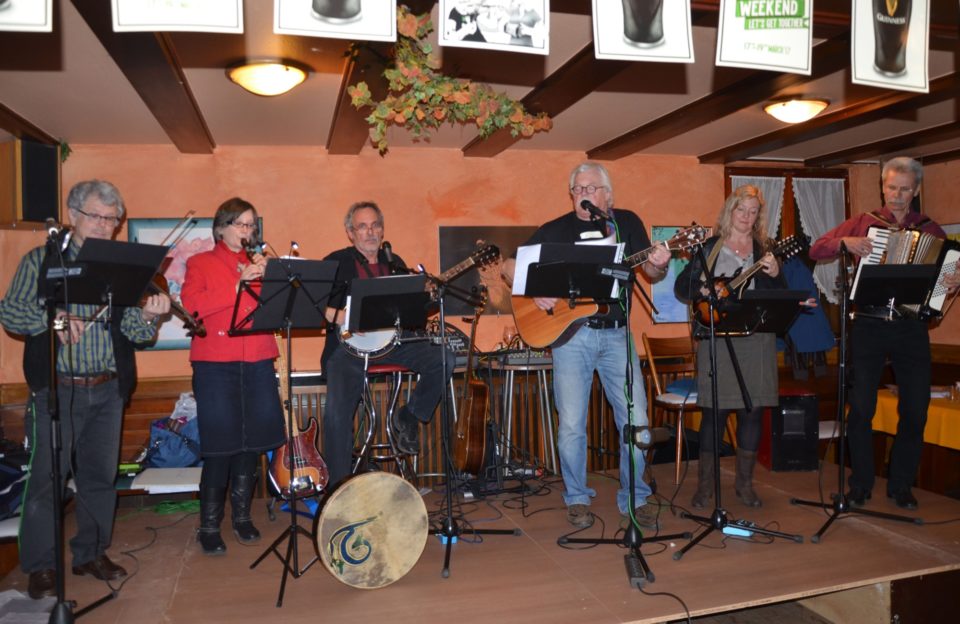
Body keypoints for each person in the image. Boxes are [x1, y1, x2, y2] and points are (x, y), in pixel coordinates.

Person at [0, 180, 171, 599]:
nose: (105, 226)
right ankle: (41, 566)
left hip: (108, 389)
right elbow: (11, 314)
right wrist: (53, 317)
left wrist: (150, 317)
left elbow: (134, 333)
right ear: (73, 215)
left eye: (112, 220)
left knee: (99, 478)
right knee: (47, 482)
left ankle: (91, 553)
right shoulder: (42, 260)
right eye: (97, 216)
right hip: (57, 390)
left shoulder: (120, 268)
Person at [502, 162, 671, 530]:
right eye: (577, 189)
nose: (583, 194)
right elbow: (508, 265)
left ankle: (636, 496)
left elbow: (651, 272)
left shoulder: (626, 223)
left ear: (607, 194)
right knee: (572, 425)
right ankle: (577, 498)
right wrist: (534, 287)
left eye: (591, 188)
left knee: (637, 421)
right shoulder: (556, 229)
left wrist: (660, 262)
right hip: (572, 338)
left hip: (617, 335)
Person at [810, 157, 960, 511]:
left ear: (915, 190)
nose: (896, 195)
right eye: (891, 187)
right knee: (861, 408)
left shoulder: (930, 230)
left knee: (916, 409)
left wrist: (952, 280)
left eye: (904, 189)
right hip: (869, 324)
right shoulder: (864, 222)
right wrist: (847, 242)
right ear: (883, 187)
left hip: (911, 327)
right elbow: (817, 248)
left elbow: (944, 280)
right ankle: (860, 484)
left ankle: (901, 485)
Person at [321, 201, 454, 489]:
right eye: (362, 226)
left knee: (443, 357)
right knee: (336, 414)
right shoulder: (336, 262)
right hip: (349, 350)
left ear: (382, 230)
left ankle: (410, 415)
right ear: (350, 233)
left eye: (375, 225)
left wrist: (426, 298)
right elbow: (312, 303)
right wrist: (341, 316)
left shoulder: (395, 263)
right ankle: (339, 488)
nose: (370, 232)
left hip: (394, 344)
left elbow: (412, 312)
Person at [180, 198, 286, 555]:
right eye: (241, 224)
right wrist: (239, 283)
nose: (247, 231)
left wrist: (277, 280)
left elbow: (276, 309)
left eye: (251, 225)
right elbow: (192, 306)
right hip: (215, 364)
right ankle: (209, 526)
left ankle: (242, 517)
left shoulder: (260, 264)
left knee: (252, 443)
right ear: (221, 227)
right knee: (220, 446)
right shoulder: (200, 263)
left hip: (257, 360)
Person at [674, 185, 786, 510]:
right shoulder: (711, 247)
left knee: (753, 412)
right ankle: (705, 487)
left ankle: (745, 486)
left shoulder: (766, 249)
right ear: (730, 211)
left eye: (753, 211)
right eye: (741, 210)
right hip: (718, 340)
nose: (747, 217)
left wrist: (776, 273)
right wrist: (702, 288)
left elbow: (780, 294)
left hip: (757, 339)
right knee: (715, 413)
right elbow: (683, 288)